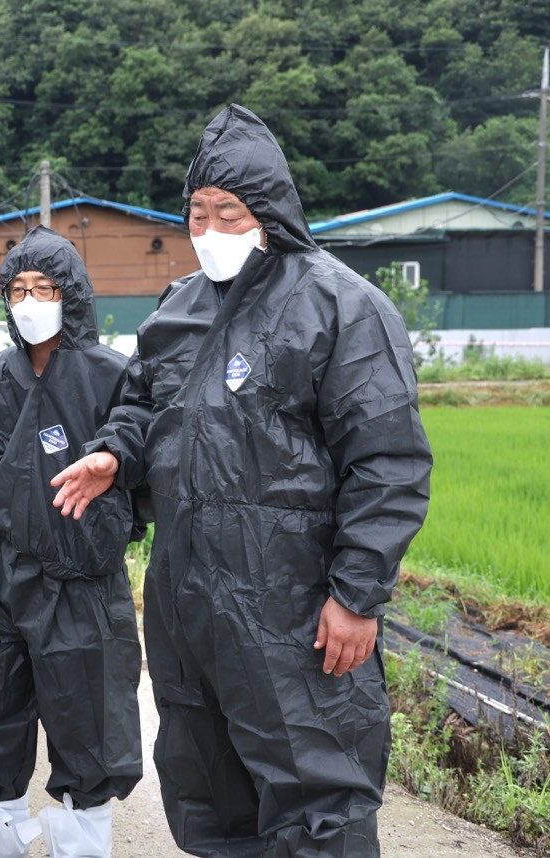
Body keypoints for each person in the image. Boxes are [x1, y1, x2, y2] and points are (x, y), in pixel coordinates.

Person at [51, 104, 432, 857]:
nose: (210, 228)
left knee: (317, 788)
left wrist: (355, 595)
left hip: (291, 601)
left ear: (272, 211)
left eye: (230, 211)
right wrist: (113, 454)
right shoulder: (178, 308)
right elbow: (141, 405)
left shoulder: (339, 304)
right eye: (197, 212)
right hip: (186, 593)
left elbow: (386, 460)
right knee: (206, 784)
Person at [0, 225, 144, 858]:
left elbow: (143, 465)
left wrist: (100, 522)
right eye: (18, 289)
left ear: (73, 295)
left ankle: (81, 840)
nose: (30, 301)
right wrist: (26, 511)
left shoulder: (113, 375)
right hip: (8, 573)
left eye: (45, 288)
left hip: (83, 581)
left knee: (88, 718)